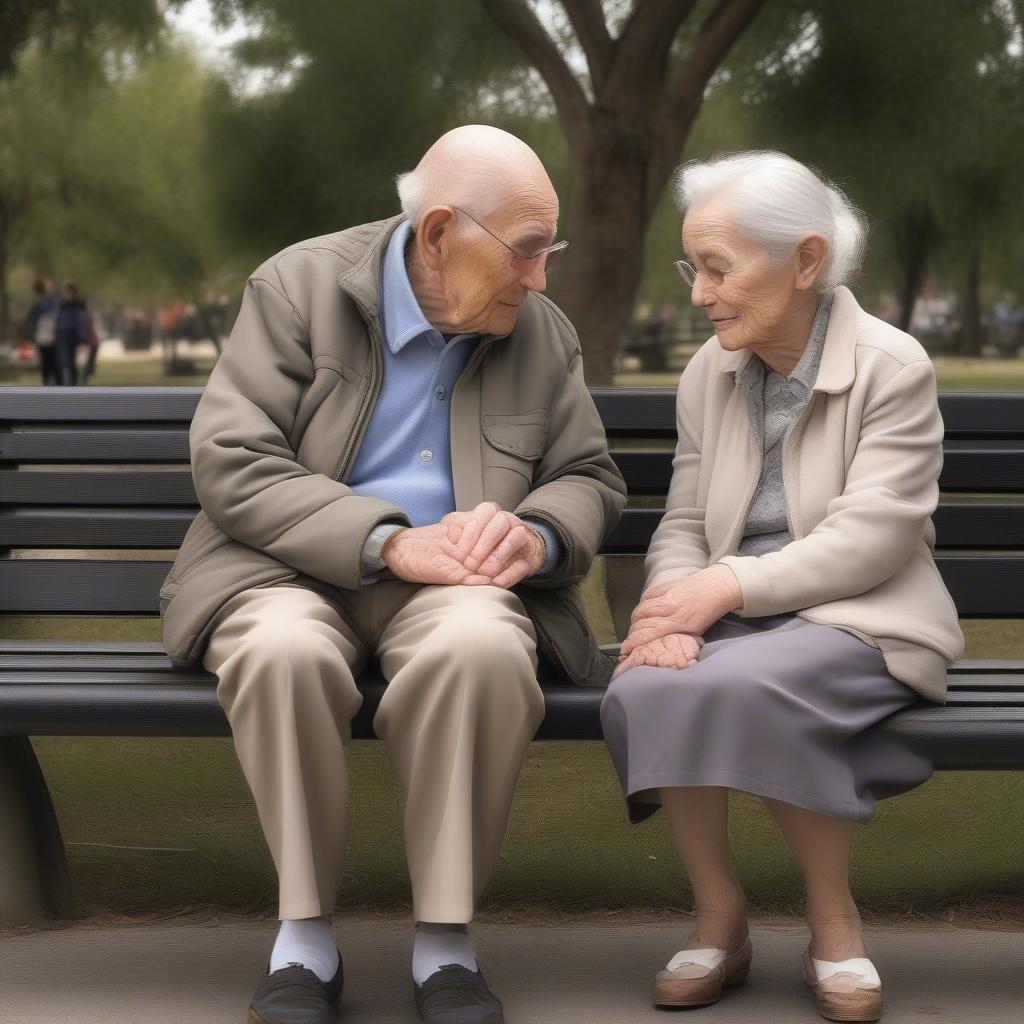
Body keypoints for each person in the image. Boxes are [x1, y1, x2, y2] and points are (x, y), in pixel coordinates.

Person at [158, 124, 626, 1024]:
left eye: (548, 251)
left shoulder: (542, 332)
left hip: (460, 587)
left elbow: (588, 478)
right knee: (280, 652)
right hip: (285, 570)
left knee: (486, 649)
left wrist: (535, 535)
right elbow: (233, 457)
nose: (540, 278)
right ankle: (304, 935)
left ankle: (445, 943)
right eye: (527, 252)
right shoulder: (297, 286)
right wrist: (386, 540)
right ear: (440, 232)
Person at [599, 150, 964, 1022]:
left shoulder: (892, 365)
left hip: (862, 614)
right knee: (656, 675)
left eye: (718, 269)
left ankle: (835, 921)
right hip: (733, 613)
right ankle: (719, 916)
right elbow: (685, 519)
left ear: (805, 261)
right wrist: (670, 609)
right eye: (695, 268)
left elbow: (871, 540)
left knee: (745, 681)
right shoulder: (707, 374)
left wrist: (721, 590)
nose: (699, 294)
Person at [21, 278, 61, 386]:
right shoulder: (53, 302)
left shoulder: (38, 305)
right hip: (50, 338)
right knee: (54, 366)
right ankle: (56, 387)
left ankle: (48, 386)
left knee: (46, 366)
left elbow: (29, 322)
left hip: (44, 338)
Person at [53, 282, 90, 386]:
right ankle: (67, 382)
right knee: (64, 360)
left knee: (72, 360)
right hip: (63, 333)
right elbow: (57, 319)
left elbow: (84, 318)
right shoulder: (62, 303)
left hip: (74, 334)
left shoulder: (78, 304)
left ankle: (73, 382)